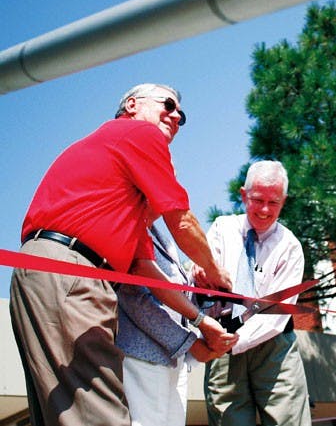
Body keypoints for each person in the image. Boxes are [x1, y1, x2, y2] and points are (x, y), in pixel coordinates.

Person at [9, 83, 237, 426]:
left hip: (41, 273)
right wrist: (215, 272)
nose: (177, 117)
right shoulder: (139, 134)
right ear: (132, 105)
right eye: (169, 105)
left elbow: (145, 270)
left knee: (63, 414)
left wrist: (200, 321)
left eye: (181, 114)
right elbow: (182, 221)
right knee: (101, 415)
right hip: (74, 273)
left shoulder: (114, 200)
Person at [203, 160, 312, 426]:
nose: (264, 210)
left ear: (283, 201)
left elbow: (275, 314)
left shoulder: (290, 247)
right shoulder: (221, 229)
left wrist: (233, 341)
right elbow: (202, 281)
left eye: (273, 202)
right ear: (243, 195)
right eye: (257, 199)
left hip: (272, 345)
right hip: (222, 342)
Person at [117, 220, 231, 426]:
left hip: (174, 361)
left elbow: (180, 302)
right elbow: (138, 302)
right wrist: (191, 343)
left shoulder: (162, 237)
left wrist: (202, 289)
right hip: (143, 358)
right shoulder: (128, 231)